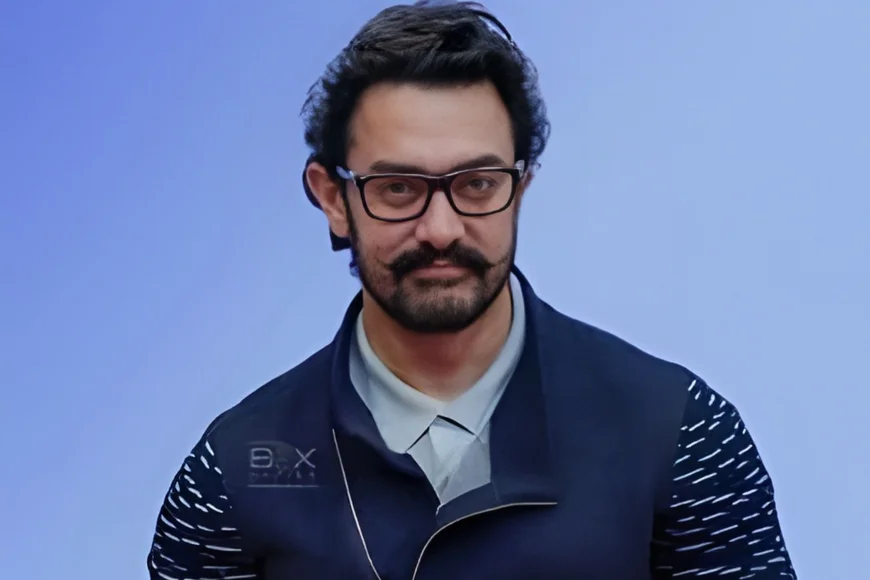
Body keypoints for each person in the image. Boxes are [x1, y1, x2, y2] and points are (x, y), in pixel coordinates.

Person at [146, 2, 796, 578]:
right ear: (334, 199)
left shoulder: (680, 433)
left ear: (521, 189)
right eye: (398, 188)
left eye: (478, 184)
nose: (440, 229)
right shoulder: (235, 470)